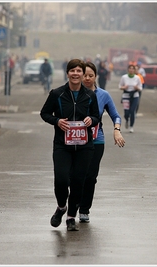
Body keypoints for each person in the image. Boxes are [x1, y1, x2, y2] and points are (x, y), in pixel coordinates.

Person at [40, 59, 100, 231]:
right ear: (67, 73)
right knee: (61, 179)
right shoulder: (57, 94)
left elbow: (96, 116)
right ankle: (61, 207)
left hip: (84, 146)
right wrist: (57, 121)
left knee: (78, 182)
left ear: (82, 74)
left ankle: (71, 217)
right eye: (72, 70)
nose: (75, 74)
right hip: (62, 145)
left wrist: (92, 120)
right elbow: (44, 113)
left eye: (78, 71)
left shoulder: (90, 95)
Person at [78, 62, 126, 223]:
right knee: (75, 175)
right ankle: (73, 203)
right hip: (75, 140)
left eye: (91, 75)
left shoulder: (103, 95)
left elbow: (116, 115)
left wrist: (117, 129)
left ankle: (84, 210)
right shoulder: (72, 93)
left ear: (96, 76)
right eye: (84, 75)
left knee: (90, 177)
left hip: (96, 141)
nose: (87, 78)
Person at [119, 64, 142, 133]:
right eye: (130, 68)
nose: (131, 70)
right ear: (128, 69)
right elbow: (120, 86)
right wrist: (124, 87)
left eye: (133, 69)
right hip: (126, 95)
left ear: (135, 70)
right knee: (126, 112)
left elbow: (141, 88)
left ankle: (131, 126)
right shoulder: (124, 77)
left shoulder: (137, 78)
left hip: (135, 95)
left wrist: (137, 88)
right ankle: (127, 120)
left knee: (132, 111)